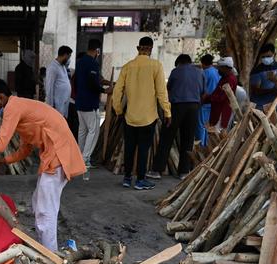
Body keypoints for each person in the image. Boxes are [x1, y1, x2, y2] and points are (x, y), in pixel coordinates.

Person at [0, 79, 86, 251]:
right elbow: (25, 149)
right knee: (39, 203)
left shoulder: (13, 107)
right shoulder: (20, 107)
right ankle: (46, 247)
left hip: (58, 155)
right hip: (56, 154)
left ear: (0, 98)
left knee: (45, 211)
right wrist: (0, 161)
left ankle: (51, 255)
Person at [112, 36, 171, 190]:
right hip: (148, 117)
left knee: (129, 148)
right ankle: (140, 180)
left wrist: (118, 110)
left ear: (138, 48)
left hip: (130, 117)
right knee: (144, 149)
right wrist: (167, 112)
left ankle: (126, 178)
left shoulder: (127, 67)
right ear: (150, 49)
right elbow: (161, 93)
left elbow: (117, 91)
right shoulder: (156, 66)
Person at [149, 54, 204, 180]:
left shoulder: (176, 71)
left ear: (179, 63)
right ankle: (184, 172)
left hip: (177, 106)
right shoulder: (199, 72)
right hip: (194, 107)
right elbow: (203, 91)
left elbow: (168, 89)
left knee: (166, 137)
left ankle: (157, 170)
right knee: (188, 140)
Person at [75, 39, 111, 167]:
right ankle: (85, 159)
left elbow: (93, 79)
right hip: (90, 103)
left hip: (79, 102)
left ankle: (79, 157)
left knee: (83, 131)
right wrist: (105, 90)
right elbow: (93, 83)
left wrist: (105, 83)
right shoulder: (92, 64)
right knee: (93, 131)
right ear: (97, 50)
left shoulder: (79, 62)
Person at [205, 57, 237, 131]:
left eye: (221, 68)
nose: (219, 70)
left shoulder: (230, 79)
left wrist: (208, 97)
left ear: (226, 68)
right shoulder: (224, 78)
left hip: (222, 111)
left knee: (218, 133)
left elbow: (221, 97)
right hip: (217, 110)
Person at [197, 54, 220, 146]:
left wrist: (200, 103)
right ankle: (208, 145)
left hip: (205, 103)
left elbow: (205, 92)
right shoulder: (217, 71)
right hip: (214, 104)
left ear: (203, 63)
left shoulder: (205, 73)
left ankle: (202, 146)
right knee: (210, 126)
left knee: (202, 126)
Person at [45, 45, 73, 118]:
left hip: (63, 103)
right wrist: (50, 105)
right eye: (69, 57)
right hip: (56, 105)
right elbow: (49, 87)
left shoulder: (62, 66)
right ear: (65, 55)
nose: (69, 59)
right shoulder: (52, 67)